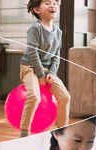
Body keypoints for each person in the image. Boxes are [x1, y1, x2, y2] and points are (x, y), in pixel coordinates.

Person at [20, 0, 70, 137]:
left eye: (54, 3)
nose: (52, 5)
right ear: (37, 10)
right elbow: (32, 52)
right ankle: (25, 132)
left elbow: (56, 56)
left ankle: (61, 131)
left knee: (65, 97)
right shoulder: (35, 28)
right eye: (47, 3)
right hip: (30, 66)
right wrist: (41, 75)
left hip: (48, 69)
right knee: (34, 97)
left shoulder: (58, 32)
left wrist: (52, 73)